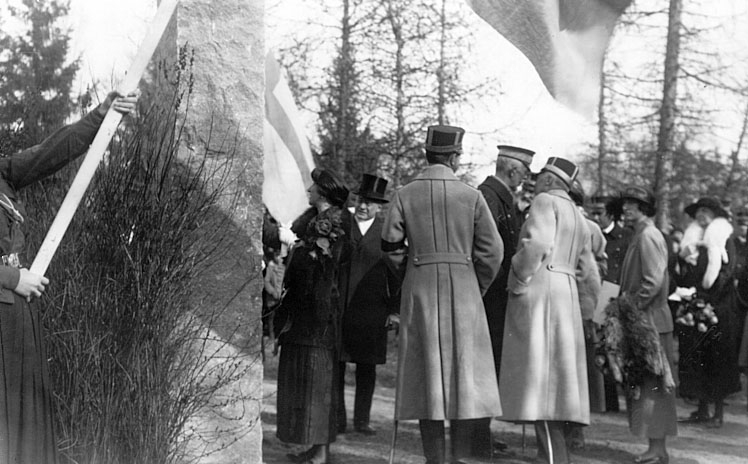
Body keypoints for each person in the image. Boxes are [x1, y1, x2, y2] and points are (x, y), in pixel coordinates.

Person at [0, 91, 137, 463]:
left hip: (15, 314)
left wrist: (100, 116)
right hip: (10, 295)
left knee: (20, 428)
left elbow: (49, 152)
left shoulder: (3, 174)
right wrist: (12, 278)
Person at [381, 125, 503, 464]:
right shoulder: (471, 196)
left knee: (426, 380)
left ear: (428, 154)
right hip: (464, 292)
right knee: (465, 379)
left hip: (420, 289)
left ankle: (433, 459)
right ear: (454, 157)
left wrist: (411, 274)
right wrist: (475, 285)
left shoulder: (405, 194)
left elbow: (390, 247)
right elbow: (493, 252)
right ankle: (460, 458)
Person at [499, 157, 600, 464]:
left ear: (548, 179)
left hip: (540, 292)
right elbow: (589, 271)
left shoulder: (544, 201)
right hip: (566, 295)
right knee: (557, 383)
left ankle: (552, 458)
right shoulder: (577, 214)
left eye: (540, 175)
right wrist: (586, 308)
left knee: (539, 381)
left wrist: (518, 279)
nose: (536, 181)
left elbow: (536, 244)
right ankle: (553, 454)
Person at [274, 168, 349, 464]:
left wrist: (297, 251)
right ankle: (315, 447)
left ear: (324, 192)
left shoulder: (337, 224)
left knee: (319, 383)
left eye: (314, 187)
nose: (309, 189)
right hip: (305, 312)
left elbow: (326, 267)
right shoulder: (312, 222)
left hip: (321, 314)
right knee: (308, 383)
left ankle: (320, 452)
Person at [471, 144, 534, 457]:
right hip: (489, 298)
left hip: (494, 298)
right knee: (483, 368)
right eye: (524, 173)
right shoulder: (489, 197)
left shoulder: (499, 198)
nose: (525, 180)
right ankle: (475, 438)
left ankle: (480, 433)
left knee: (490, 366)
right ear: (512, 171)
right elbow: (486, 251)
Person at [336, 173, 399, 436]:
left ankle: (362, 420)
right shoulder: (341, 225)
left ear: (379, 207)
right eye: (360, 200)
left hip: (372, 312)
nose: (363, 206)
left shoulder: (387, 233)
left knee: (367, 369)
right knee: (337, 367)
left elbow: (397, 275)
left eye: (370, 203)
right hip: (341, 308)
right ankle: (337, 419)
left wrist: (394, 311)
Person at [618, 185, 676, 464]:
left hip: (650, 320)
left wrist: (632, 307)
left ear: (644, 208)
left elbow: (652, 282)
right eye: (626, 204)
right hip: (646, 318)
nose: (626, 209)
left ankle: (657, 449)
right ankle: (656, 448)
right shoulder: (640, 235)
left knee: (654, 387)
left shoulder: (648, 236)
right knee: (649, 386)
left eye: (632, 204)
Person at [675, 197, 742, 429]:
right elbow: (685, 272)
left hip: (718, 309)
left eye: (706, 211)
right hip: (695, 307)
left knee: (717, 359)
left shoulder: (724, 239)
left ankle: (718, 413)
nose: (701, 215)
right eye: (698, 212)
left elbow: (727, 272)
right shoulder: (693, 241)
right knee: (698, 358)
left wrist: (708, 299)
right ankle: (702, 409)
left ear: (715, 215)